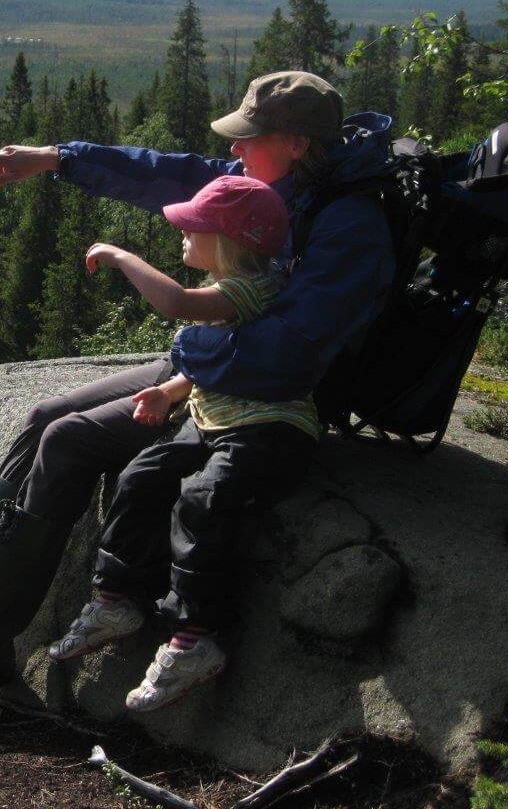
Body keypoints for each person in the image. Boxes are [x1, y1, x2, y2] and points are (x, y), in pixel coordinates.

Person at [0, 71, 396, 691]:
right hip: (212, 368)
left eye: (249, 137)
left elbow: (289, 355)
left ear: (296, 143)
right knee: (43, 416)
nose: (234, 149)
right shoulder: (270, 183)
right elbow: (165, 173)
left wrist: (187, 356)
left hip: (256, 401)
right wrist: (56, 158)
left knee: (67, 439)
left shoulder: (350, 226)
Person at [53, 174, 318, 711]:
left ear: (228, 241)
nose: (182, 234)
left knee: (202, 500)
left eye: (193, 227)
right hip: (212, 416)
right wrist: (171, 391)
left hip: (268, 427)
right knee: (140, 477)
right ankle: (116, 598)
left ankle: (196, 638)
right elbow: (221, 357)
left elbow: (174, 302)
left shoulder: (251, 287)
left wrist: (121, 257)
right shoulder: (237, 289)